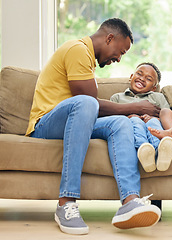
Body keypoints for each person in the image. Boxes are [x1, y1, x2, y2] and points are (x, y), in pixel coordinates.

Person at [26, 18, 161, 235]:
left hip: (72, 122)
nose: (118, 58)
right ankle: (66, 203)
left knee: (119, 123)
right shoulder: (77, 49)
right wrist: (133, 106)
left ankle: (130, 200)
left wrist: (127, 112)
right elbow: (88, 101)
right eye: (121, 51)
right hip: (45, 125)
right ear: (109, 38)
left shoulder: (87, 57)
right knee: (87, 102)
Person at [110, 62, 172, 172]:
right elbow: (112, 120)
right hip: (132, 127)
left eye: (148, 79)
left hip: (152, 126)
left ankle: (160, 151)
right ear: (131, 77)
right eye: (139, 74)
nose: (142, 79)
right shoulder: (117, 97)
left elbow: (167, 116)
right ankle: (144, 150)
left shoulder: (158, 97)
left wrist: (153, 118)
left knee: (154, 122)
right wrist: (129, 117)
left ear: (154, 88)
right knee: (135, 119)